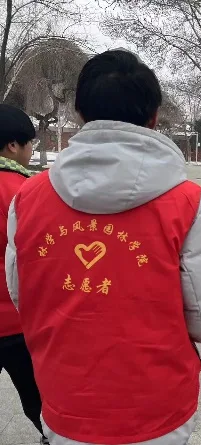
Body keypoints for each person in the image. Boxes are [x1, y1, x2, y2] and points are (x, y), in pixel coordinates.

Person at [5, 50, 201, 445]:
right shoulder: (188, 205)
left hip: (65, 404)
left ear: (80, 113)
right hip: (158, 411)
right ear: (154, 117)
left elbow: (22, 295)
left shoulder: (27, 200)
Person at [0, 104, 49, 445]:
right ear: (13, 145)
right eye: (30, 143)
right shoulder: (26, 192)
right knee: (40, 400)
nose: (31, 151)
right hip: (17, 322)